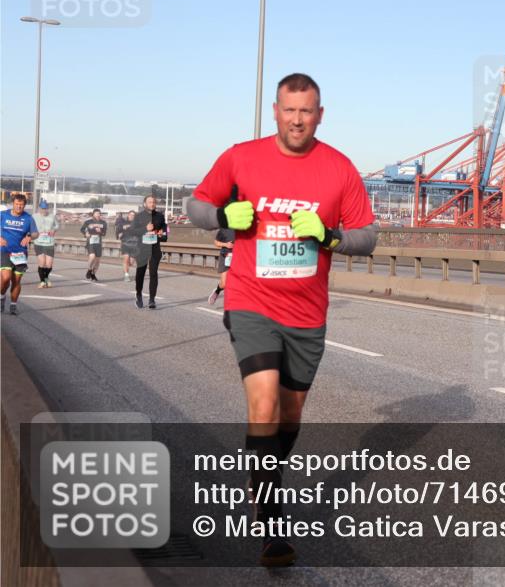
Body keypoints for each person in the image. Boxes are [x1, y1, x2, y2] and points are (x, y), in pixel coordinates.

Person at [187, 73, 377, 567]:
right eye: (289, 110)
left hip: (307, 313)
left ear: (320, 114)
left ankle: (264, 475)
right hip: (251, 299)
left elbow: (368, 237)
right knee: (264, 400)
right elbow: (196, 206)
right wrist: (226, 217)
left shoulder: (339, 168)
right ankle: (271, 518)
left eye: (307, 111)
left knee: (289, 416)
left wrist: (331, 236)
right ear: (275, 111)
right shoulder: (241, 156)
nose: (297, 120)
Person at [1, 194, 39, 315]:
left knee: (16, 281)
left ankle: (13, 305)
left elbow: (36, 234)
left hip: (20, 253)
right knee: (6, 278)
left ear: (24, 206)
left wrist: (29, 236)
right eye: (17, 204)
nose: (19, 207)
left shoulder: (28, 218)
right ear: (13, 204)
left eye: (21, 205)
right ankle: (1, 296)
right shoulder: (3, 215)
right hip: (4, 251)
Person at [131, 196, 167, 309]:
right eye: (150, 202)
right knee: (140, 273)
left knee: (153, 273)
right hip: (142, 248)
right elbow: (133, 232)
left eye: (154, 202)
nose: (152, 204)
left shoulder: (160, 216)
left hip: (155, 248)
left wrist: (162, 235)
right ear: (145, 204)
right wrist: (145, 229)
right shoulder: (138, 216)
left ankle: (152, 299)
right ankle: (138, 295)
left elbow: (165, 232)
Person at [33, 200, 59, 288]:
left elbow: (57, 225)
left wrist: (53, 230)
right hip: (38, 242)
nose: (44, 210)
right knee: (42, 262)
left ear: (48, 209)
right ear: (39, 208)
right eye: (42, 209)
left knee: (49, 264)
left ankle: (46, 278)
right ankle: (42, 281)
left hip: (49, 242)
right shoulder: (34, 216)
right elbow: (30, 226)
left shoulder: (52, 216)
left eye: (46, 209)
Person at [80, 208, 108, 281]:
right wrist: (86, 233)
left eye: (99, 213)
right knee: (92, 256)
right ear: (93, 214)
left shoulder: (103, 223)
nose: (98, 215)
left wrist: (101, 231)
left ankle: (93, 274)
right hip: (91, 241)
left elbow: (104, 233)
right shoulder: (88, 222)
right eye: (96, 213)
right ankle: (89, 269)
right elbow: (82, 229)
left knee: (98, 260)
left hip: (98, 242)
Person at [208, 227, 235, 305]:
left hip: (238, 257)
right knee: (224, 284)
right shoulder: (224, 229)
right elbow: (216, 242)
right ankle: (217, 291)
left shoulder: (243, 229)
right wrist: (226, 244)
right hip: (226, 257)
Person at [120, 210, 139, 281]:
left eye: (133, 215)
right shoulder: (123, 223)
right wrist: (119, 234)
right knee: (126, 259)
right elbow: (118, 230)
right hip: (125, 243)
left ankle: (126, 267)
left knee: (131, 263)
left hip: (135, 245)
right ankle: (126, 275)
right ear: (128, 215)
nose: (132, 216)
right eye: (130, 215)